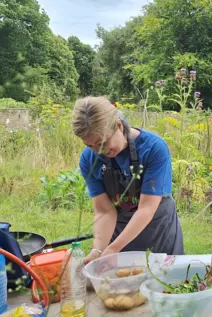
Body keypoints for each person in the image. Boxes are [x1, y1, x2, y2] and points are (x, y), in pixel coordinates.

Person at [72, 96, 185, 265]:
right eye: (90, 146)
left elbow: (147, 208)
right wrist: (99, 250)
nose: (98, 152)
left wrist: (112, 249)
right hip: (121, 237)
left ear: (118, 125)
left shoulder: (153, 149)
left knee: (168, 285)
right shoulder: (88, 159)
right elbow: (105, 211)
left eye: (102, 143)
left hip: (159, 233)